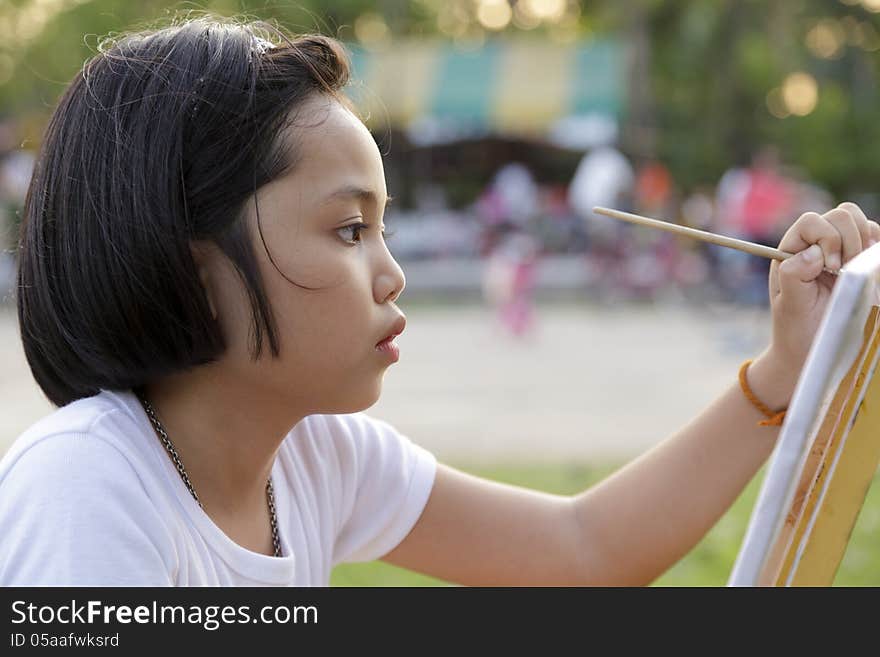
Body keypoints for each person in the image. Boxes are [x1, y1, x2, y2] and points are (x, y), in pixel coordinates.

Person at [1, 17, 878, 586]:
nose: (393, 273)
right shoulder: (90, 487)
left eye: (384, 230)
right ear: (195, 268)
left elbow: (584, 549)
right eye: (349, 231)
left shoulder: (316, 460)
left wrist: (783, 368)